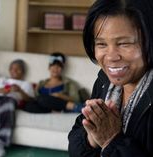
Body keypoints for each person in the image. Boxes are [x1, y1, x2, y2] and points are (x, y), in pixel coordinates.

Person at [68, 0, 153, 157]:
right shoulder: (104, 81)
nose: (111, 56)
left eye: (124, 43)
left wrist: (111, 140)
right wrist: (92, 138)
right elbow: (76, 142)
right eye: (101, 44)